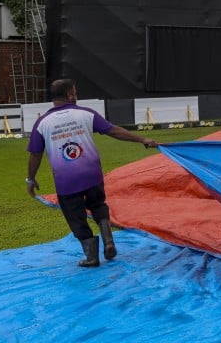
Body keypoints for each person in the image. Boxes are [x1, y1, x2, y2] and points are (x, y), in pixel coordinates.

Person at [26, 79, 157, 268]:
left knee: (75, 217)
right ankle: (108, 239)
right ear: (69, 94)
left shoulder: (42, 123)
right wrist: (142, 139)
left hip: (66, 181)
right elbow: (114, 131)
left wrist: (31, 179)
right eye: (75, 92)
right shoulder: (86, 114)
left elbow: (35, 154)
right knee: (98, 205)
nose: (76, 95)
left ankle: (91, 257)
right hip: (92, 175)